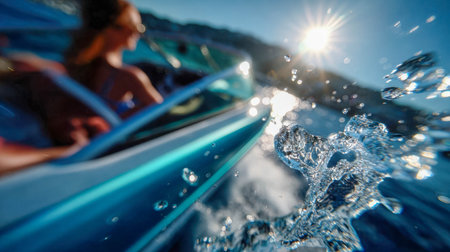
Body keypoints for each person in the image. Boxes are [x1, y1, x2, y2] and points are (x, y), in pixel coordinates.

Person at [65, 0, 163, 118]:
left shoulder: (74, 63)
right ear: (124, 29)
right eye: (139, 27)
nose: (139, 33)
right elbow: (162, 111)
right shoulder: (129, 77)